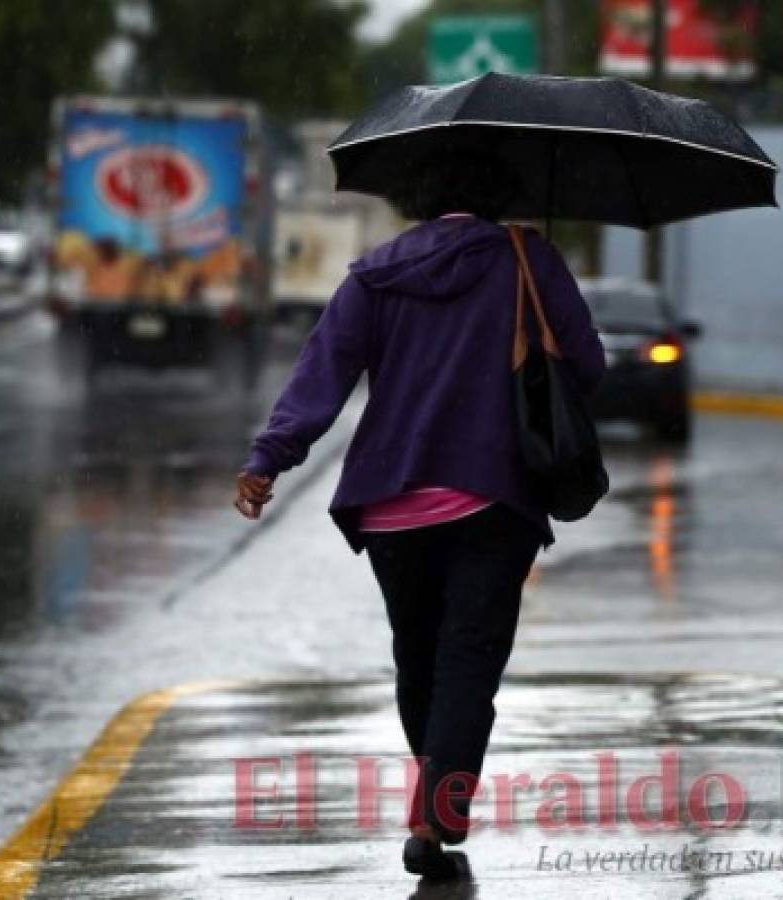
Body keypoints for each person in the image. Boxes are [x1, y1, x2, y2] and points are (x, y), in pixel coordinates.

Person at [234, 147, 606, 880]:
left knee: (419, 655)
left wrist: (266, 458)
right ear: (500, 190)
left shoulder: (376, 272)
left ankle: (434, 803)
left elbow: (324, 373)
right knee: (468, 660)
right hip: (491, 494)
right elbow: (587, 369)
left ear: (419, 195)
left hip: (390, 503)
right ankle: (436, 813)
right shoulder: (526, 260)